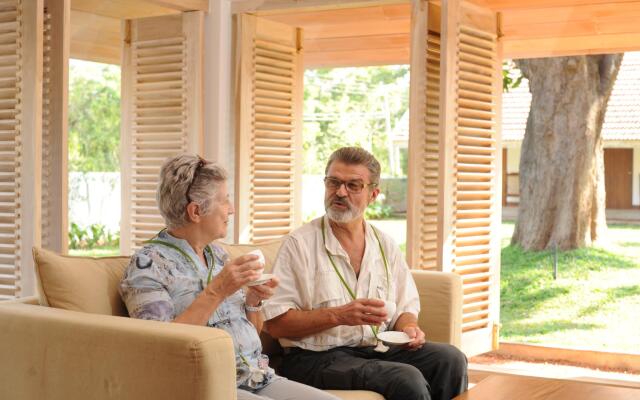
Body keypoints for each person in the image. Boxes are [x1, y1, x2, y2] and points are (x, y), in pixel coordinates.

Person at [119, 154, 338, 400]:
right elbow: (161, 349)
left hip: (257, 378)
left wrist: (253, 301)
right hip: (201, 386)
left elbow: (251, 333)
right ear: (195, 211)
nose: (231, 209)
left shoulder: (219, 256)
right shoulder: (147, 266)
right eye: (225, 200)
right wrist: (217, 291)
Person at [263, 147, 468, 400]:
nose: (340, 192)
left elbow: (405, 308)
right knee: (406, 379)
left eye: (353, 185)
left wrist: (410, 328)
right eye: (334, 182)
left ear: (373, 194)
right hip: (314, 358)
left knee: (451, 359)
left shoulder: (384, 245)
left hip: (375, 348)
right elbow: (275, 325)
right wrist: (339, 315)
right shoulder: (299, 245)